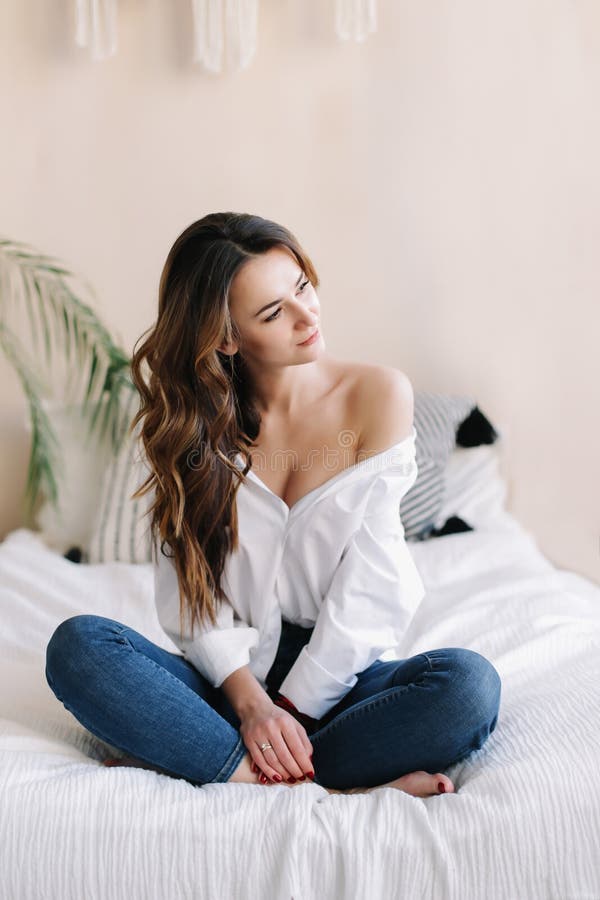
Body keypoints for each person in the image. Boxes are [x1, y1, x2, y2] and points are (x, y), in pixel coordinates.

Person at [45, 212, 501, 797]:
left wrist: (290, 711)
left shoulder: (377, 396)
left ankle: (209, 761)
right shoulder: (191, 429)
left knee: (468, 686)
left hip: (338, 684)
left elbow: (375, 584)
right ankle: (315, 786)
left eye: (302, 288)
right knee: (79, 646)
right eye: (273, 312)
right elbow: (191, 595)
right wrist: (252, 705)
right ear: (228, 338)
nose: (307, 316)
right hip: (228, 682)